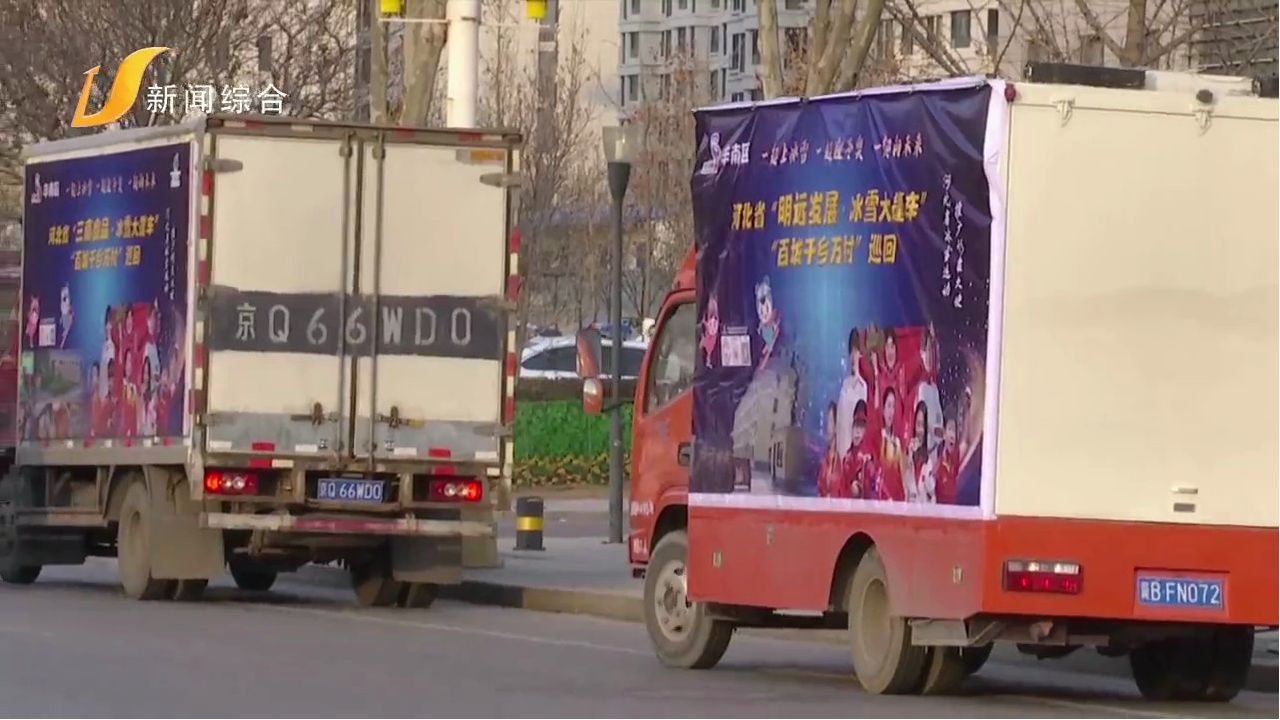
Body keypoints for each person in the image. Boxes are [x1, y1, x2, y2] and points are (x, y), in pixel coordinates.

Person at [836, 327, 869, 460]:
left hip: (856, 453)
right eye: (852, 351)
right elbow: (840, 421)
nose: (854, 356)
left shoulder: (863, 387)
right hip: (842, 448)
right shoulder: (845, 384)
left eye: (857, 351)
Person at [842, 400, 876, 499]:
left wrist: (859, 488)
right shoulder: (846, 458)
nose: (857, 431)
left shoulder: (869, 460)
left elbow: (872, 491)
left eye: (861, 427)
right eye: (856, 426)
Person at [877, 386, 906, 501]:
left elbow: (901, 478)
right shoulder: (878, 438)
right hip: (879, 499)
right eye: (888, 406)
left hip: (894, 501)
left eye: (893, 406)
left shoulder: (897, 443)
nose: (891, 411)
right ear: (883, 408)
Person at [907, 402, 936, 503]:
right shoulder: (907, 454)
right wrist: (909, 456)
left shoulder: (929, 461)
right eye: (918, 424)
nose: (920, 430)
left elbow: (932, 495)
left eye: (923, 426)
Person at [817, 402, 842, 498]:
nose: (827, 427)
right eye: (827, 422)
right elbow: (820, 489)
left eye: (830, 422)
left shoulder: (841, 460)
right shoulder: (824, 460)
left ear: (836, 426)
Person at [935, 415, 961, 505]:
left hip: (952, 504)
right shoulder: (938, 453)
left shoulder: (957, 454)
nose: (952, 435)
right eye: (950, 429)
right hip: (939, 503)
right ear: (944, 433)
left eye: (954, 431)